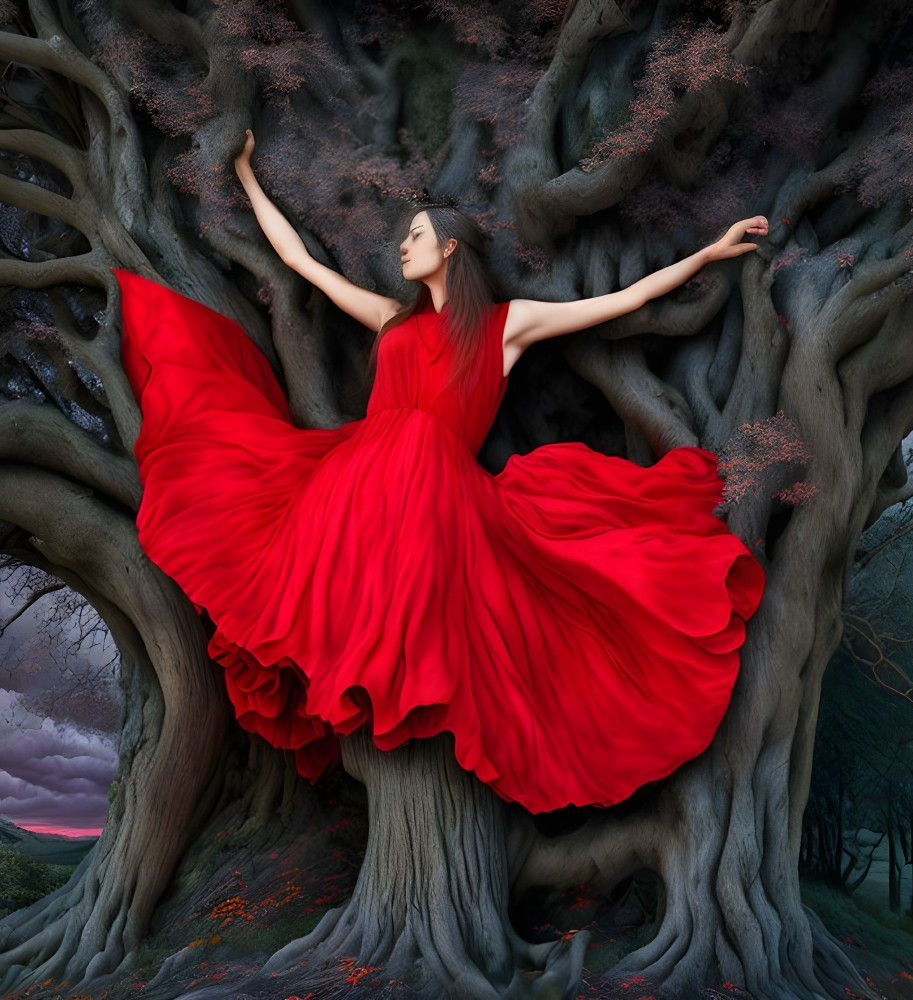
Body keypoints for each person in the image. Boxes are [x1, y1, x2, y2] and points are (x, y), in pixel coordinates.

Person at [114, 130, 766, 815]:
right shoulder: (392, 320)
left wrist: (708, 253)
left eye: (417, 234)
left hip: (437, 502)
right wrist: (246, 175)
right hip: (355, 492)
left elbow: (619, 302)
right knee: (329, 477)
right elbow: (299, 263)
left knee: (424, 452)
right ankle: (354, 667)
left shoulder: (502, 327)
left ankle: (397, 681)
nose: (404, 246)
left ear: (450, 247)